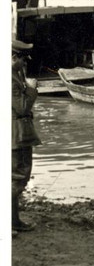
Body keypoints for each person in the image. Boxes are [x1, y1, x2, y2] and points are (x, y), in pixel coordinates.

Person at [12, 39, 41, 233]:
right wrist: (31, 88)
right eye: (22, 58)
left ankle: (13, 221)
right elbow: (22, 107)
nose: (25, 63)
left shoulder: (14, 74)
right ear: (12, 57)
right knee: (18, 177)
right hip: (16, 136)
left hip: (13, 134)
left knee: (13, 178)